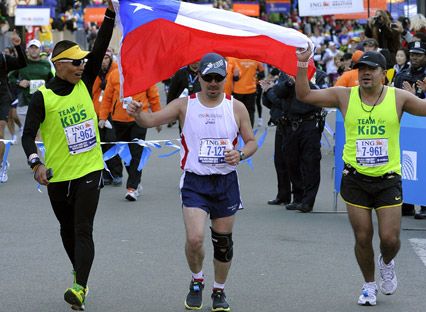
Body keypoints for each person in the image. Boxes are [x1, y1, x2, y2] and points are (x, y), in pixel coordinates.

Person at [127, 52, 257, 312]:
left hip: (225, 182)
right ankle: (197, 280)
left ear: (225, 79)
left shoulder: (236, 107)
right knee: (196, 239)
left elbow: (251, 142)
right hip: (195, 181)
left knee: (223, 242)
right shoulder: (185, 104)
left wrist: (240, 154)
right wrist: (138, 115)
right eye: (207, 77)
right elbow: (151, 121)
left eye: (217, 78)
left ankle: (218, 291)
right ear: (198, 76)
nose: (212, 83)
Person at [295, 48, 426, 306]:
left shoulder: (399, 98)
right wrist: (301, 63)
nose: (365, 74)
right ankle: (368, 284)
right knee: (363, 236)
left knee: (390, 239)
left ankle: (386, 262)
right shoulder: (344, 96)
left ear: (383, 74)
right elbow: (304, 94)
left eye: (372, 69)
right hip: (355, 178)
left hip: (388, 179)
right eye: (361, 69)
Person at [21, 1, 115, 310]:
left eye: (82, 62)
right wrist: (36, 163)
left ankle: (79, 286)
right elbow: (26, 136)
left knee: (82, 228)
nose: (81, 66)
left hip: (89, 169)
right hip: (59, 175)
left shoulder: (85, 83)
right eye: (74, 63)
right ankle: (79, 270)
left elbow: (100, 47)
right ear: (58, 64)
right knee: (65, 228)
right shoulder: (42, 98)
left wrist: (110, 14)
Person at [262, 70, 324, 213]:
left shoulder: (317, 74)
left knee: (310, 163)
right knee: (291, 162)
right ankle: (297, 197)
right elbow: (278, 96)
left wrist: (303, 82)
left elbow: (319, 97)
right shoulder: (286, 74)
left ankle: (308, 201)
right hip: (290, 125)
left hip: (310, 124)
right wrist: (288, 83)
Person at [99, 67, 162, 201]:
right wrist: (103, 118)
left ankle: (131, 188)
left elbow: (154, 98)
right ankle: (136, 182)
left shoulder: (145, 74)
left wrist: (157, 119)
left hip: (139, 120)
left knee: (136, 153)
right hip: (118, 120)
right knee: (125, 154)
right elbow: (107, 98)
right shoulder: (114, 75)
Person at [393, 41, 426, 219]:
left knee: (423, 166)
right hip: (405, 127)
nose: (414, 57)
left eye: (419, 54)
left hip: (424, 128)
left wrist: (417, 97)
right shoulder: (402, 75)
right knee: (405, 164)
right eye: (412, 54)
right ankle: (406, 204)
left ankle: (424, 204)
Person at [92, 48, 122, 186]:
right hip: (96, 112)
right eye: (101, 58)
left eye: (106, 58)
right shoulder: (94, 73)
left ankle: (116, 173)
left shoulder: (116, 71)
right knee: (99, 144)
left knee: (111, 142)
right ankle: (105, 174)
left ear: (110, 59)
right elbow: (90, 90)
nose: (103, 61)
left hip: (111, 113)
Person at [0, 30, 27, 183]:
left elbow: (22, 63)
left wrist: (18, 47)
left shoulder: (3, 58)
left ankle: (0, 167)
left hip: (2, 98)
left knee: (0, 131)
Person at [232, 58, 264, 127]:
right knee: (249, 111)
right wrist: (256, 80)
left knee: (241, 111)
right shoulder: (255, 59)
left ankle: (241, 128)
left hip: (242, 90)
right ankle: (248, 129)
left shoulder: (235, 59)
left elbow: (234, 76)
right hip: (244, 90)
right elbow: (262, 74)